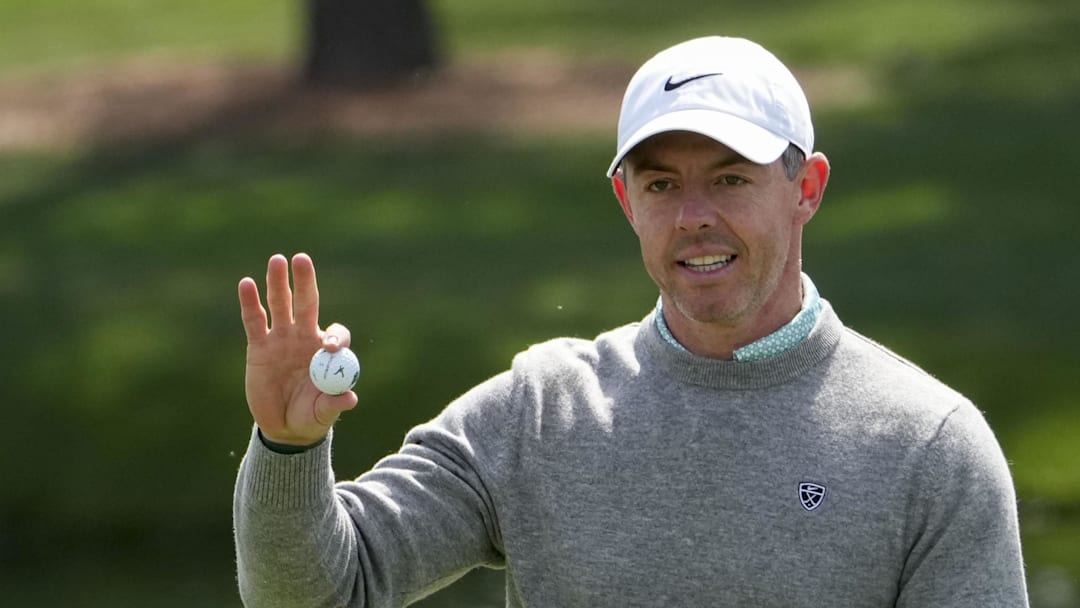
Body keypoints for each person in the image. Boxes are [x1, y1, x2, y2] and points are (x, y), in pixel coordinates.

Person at [233, 36, 1028, 607]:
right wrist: (288, 448)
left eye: (728, 180)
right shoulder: (541, 412)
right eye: (660, 186)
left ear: (807, 187)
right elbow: (326, 591)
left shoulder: (929, 446)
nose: (693, 218)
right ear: (625, 201)